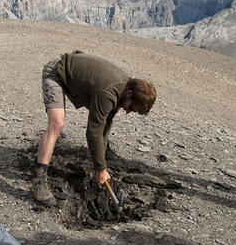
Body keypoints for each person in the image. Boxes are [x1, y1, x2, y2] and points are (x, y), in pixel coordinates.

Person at [32, 51, 156, 206]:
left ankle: (99, 157)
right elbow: (93, 132)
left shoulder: (123, 90)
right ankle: (39, 180)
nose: (128, 111)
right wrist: (100, 168)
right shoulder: (109, 93)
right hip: (56, 72)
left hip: (76, 76)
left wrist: (100, 162)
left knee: (100, 123)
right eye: (131, 107)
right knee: (57, 123)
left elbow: (106, 123)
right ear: (130, 93)